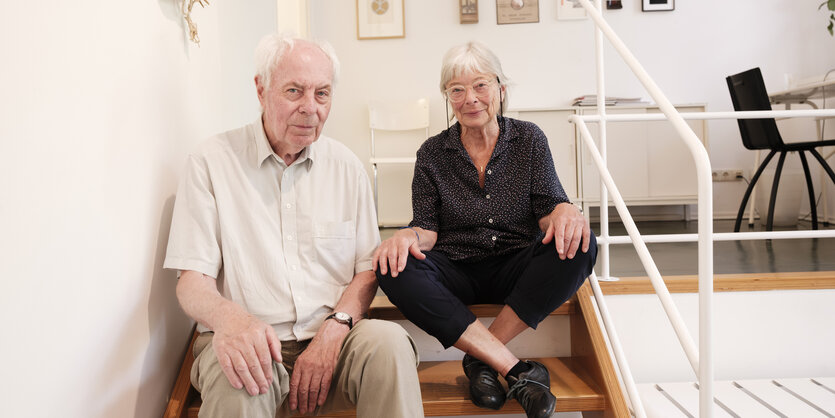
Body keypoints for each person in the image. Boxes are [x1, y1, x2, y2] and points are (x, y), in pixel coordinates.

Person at [164, 33, 423, 418]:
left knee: (390, 344)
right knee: (239, 380)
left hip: (334, 335)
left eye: (322, 93)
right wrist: (233, 322)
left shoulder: (347, 168)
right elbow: (191, 282)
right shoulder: (211, 162)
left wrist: (334, 330)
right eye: (294, 91)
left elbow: (367, 271)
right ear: (261, 89)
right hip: (249, 339)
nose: (310, 108)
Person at [373, 41, 597, 418]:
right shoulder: (431, 152)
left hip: (516, 266)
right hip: (457, 268)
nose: (470, 98)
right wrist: (405, 236)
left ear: (500, 89)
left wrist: (564, 211)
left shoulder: (529, 139)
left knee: (581, 244)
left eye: (480, 85)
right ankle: (517, 369)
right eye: (457, 90)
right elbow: (426, 228)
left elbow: (549, 209)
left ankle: (483, 359)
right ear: (448, 97)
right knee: (391, 266)